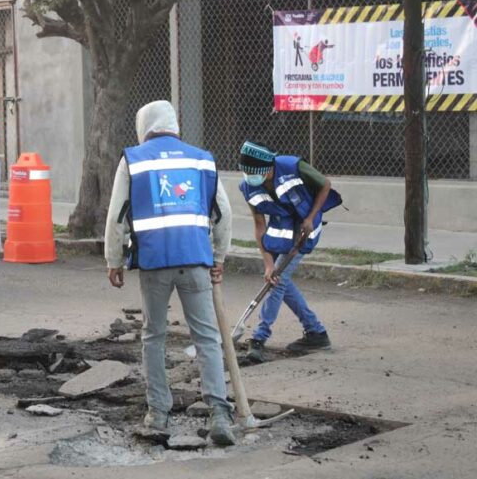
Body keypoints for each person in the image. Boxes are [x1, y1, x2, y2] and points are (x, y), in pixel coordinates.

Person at [104, 100, 236, 446]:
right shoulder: (200, 158)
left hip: (154, 262)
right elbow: (223, 212)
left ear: (144, 126)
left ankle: (158, 412)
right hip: (195, 260)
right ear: (175, 125)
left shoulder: (133, 159)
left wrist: (113, 259)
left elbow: (117, 213)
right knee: (207, 338)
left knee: (154, 337)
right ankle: (220, 413)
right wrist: (219, 256)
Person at [237, 141, 342, 364]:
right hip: (280, 229)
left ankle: (259, 338)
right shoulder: (248, 186)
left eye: (253, 173)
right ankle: (316, 332)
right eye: (245, 172)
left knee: (278, 280)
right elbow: (259, 226)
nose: (249, 177)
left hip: (305, 226)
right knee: (277, 278)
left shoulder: (294, 167)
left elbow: (325, 185)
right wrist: (267, 264)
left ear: (269, 167)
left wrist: (311, 217)